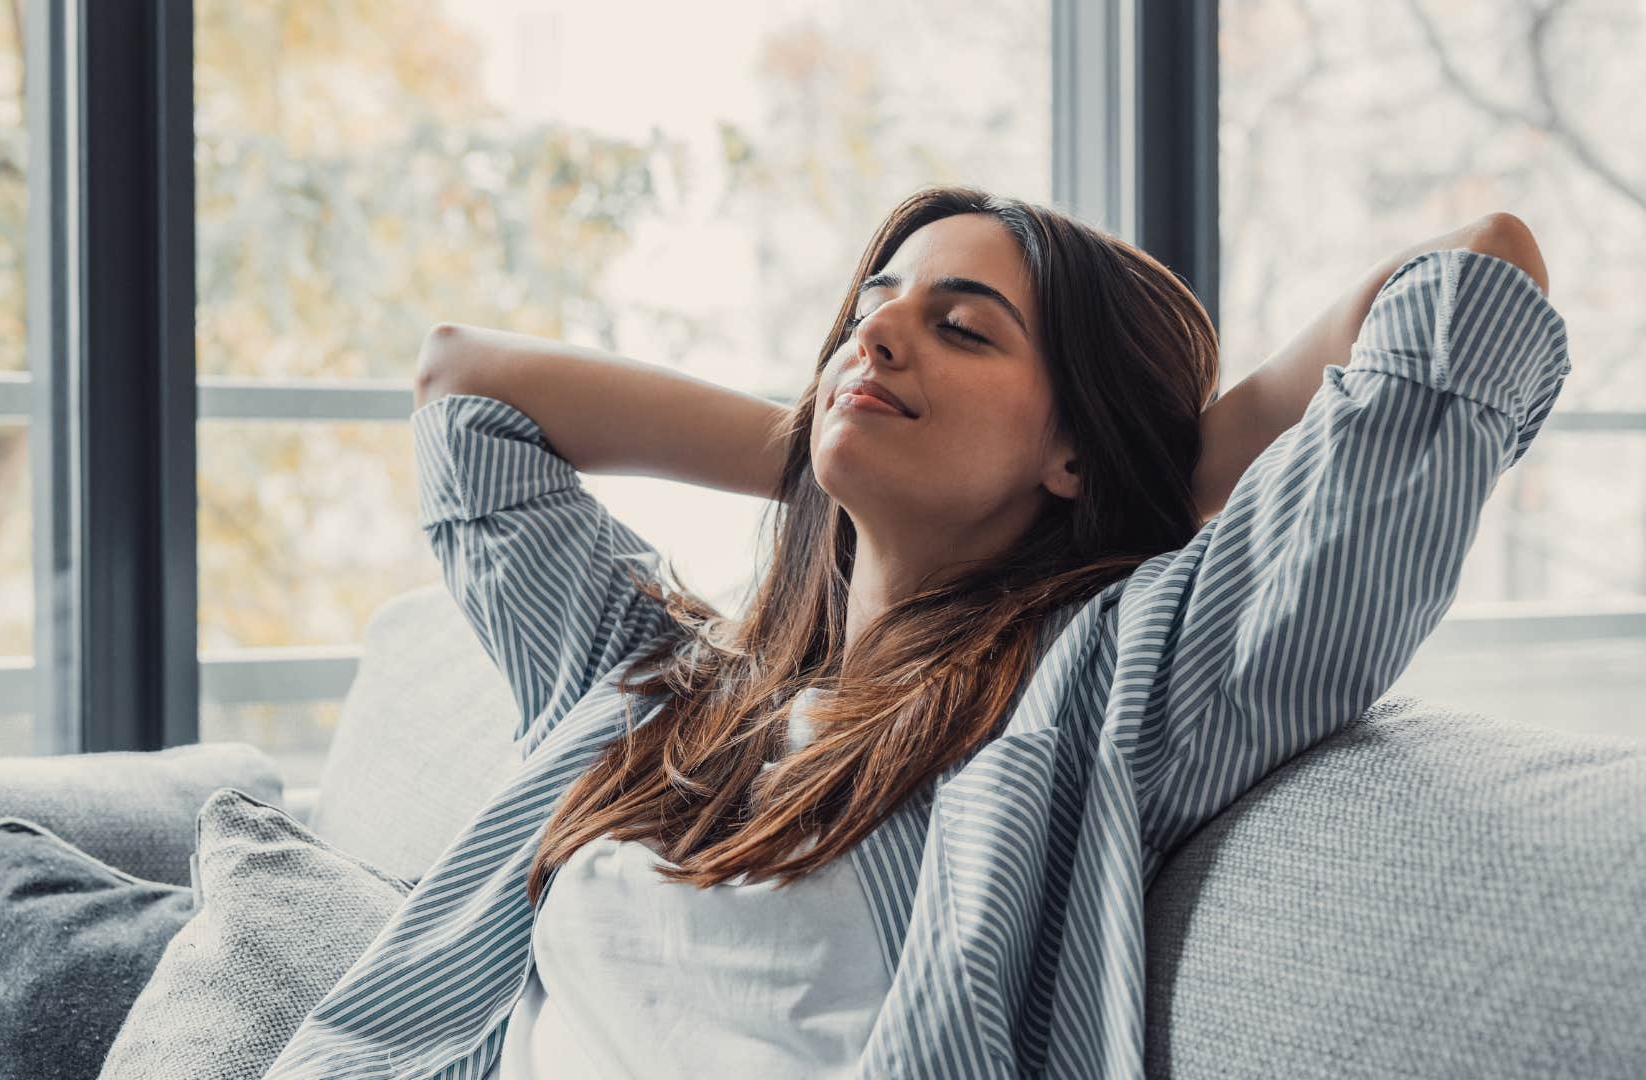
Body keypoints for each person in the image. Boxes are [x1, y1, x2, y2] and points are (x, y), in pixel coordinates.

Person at [257, 186, 1565, 1079]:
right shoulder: (646, 679)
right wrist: (810, 438)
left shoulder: (1109, 686)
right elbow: (465, 391)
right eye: (871, 307)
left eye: (959, 327)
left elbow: (1478, 272)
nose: (879, 328)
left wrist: (1168, 467)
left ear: (1069, 445)